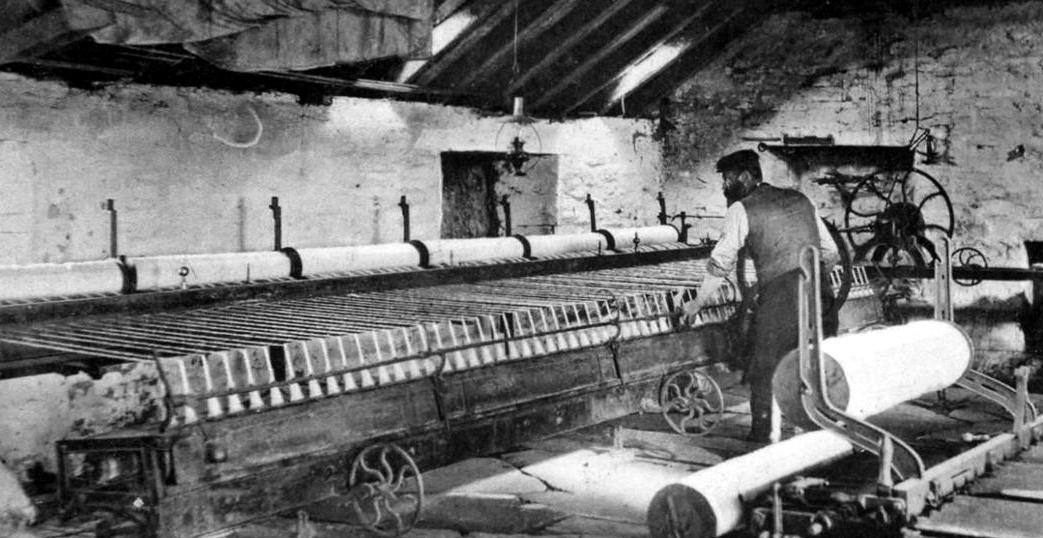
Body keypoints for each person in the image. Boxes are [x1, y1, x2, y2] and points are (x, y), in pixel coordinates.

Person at [679, 149, 839, 442]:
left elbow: (721, 263)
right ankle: (820, 424)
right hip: (819, 293)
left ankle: (762, 435)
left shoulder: (741, 209)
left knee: (764, 363)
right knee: (813, 360)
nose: (724, 187)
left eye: (727, 180)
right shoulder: (802, 199)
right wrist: (816, 284)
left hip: (781, 297)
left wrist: (697, 303)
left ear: (744, 177)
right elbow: (831, 252)